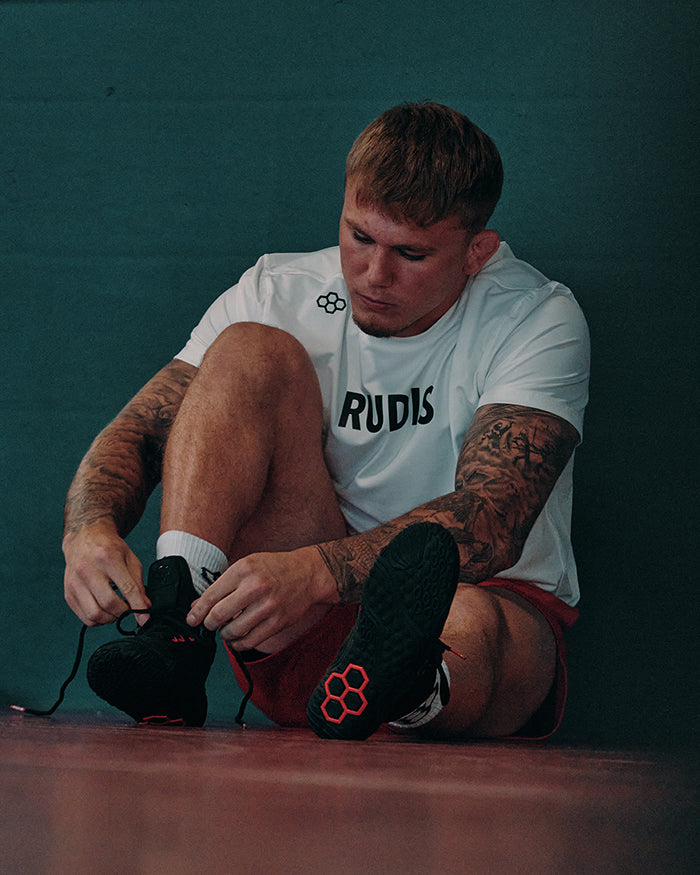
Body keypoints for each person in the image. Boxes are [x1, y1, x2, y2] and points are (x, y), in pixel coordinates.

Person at [62, 102, 589, 740]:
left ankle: (403, 686)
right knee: (249, 349)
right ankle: (174, 636)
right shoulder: (277, 289)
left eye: (411, 254)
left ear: (478, 251)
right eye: (360, 237)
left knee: (472, 620)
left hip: (468, 616)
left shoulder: (534, 316)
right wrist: (88, 529)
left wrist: (317, 572)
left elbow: (493, 518)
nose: (374, 275)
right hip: (295, 614)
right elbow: (143, 430)